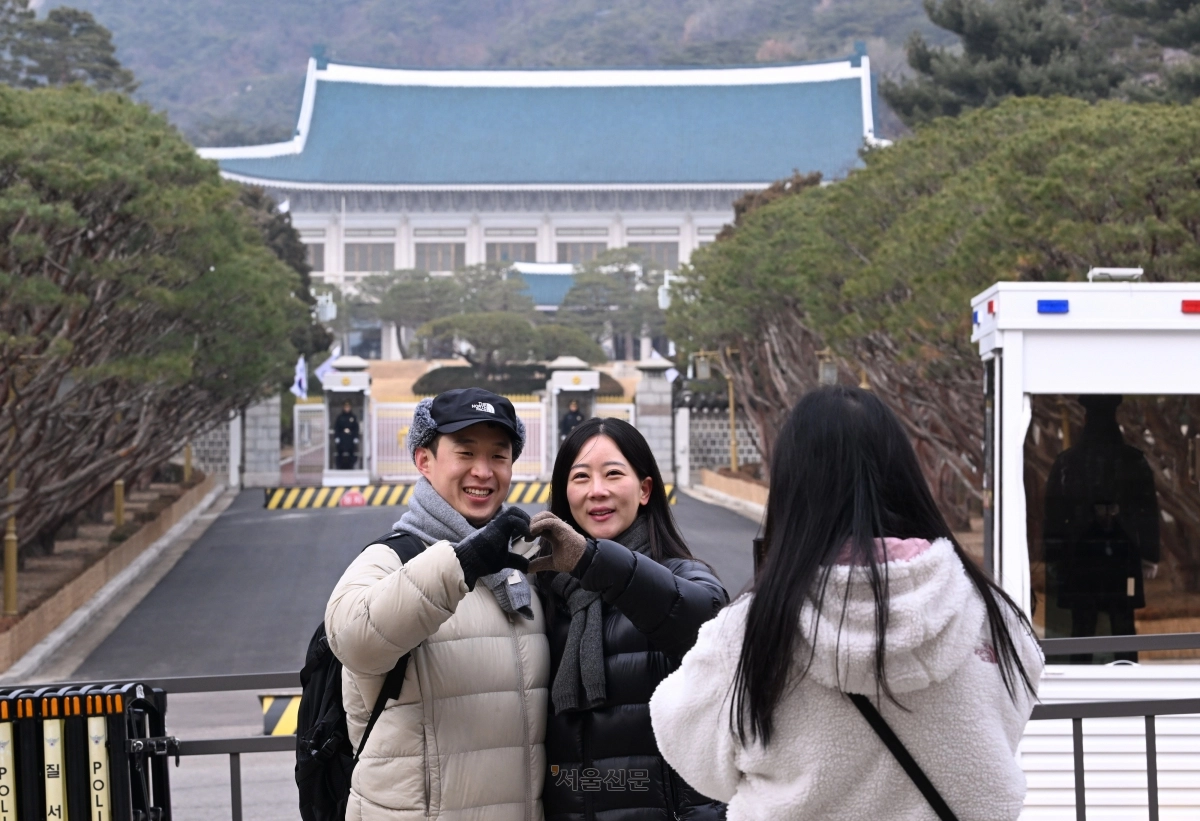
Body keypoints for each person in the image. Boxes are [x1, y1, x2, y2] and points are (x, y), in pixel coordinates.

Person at [649, 387, 1044, 821]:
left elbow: (693, 752)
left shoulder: (751, 628)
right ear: (905, 476)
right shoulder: (991, 615)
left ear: (791, 489)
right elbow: (1008, 723)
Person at [324, 388, 549, 821]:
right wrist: (462, 562)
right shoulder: (391, 558)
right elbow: (353, 638)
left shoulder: (519, 568)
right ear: (424, 460)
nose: (483, 472)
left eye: (499, 457)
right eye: (465, 453)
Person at [529, 417, 728, 821]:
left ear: (645, 489)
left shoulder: (682, 576)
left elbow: (709, 624)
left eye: (613, 474)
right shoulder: (546, 596)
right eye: (580, 477)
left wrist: (595, 562)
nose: (597, 491)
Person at [1043, 394, 1160, 663]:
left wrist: (1053, 554)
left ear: (1085, 419)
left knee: (1082, 625)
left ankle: (1078, 684)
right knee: (1122, 624)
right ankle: (1127, 682)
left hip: (1081, 554)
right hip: (1122, 554)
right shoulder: (1134, 460)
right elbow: (1147, 511)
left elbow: (1053, 514)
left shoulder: (1067, 462)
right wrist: (1150, 554)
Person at [333, 400, 360, 470]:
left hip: (350, 438)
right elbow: (337, 428)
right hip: (342, 438)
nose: (347, 409)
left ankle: (351, 466)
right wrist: (337, 437)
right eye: (345, 407)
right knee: (340, 452)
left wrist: (356, 437)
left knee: (352, 452)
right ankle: (339, 466)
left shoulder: (353, 417)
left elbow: (356, 428)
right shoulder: (340, 417)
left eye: (348, 407)